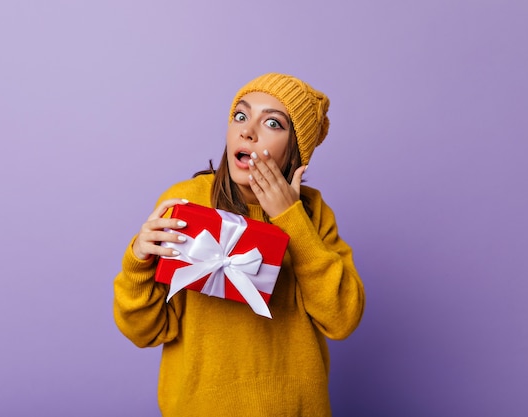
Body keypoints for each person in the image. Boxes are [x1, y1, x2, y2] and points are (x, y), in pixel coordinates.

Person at [113, 73, 365, 417]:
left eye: (273, 123)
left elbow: (342, 320)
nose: (247, 131)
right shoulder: (185, 204)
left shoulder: (313, 213)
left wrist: (291, 219)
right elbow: (147, 331)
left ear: (296, 151)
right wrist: (138, 262)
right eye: (240, 116)